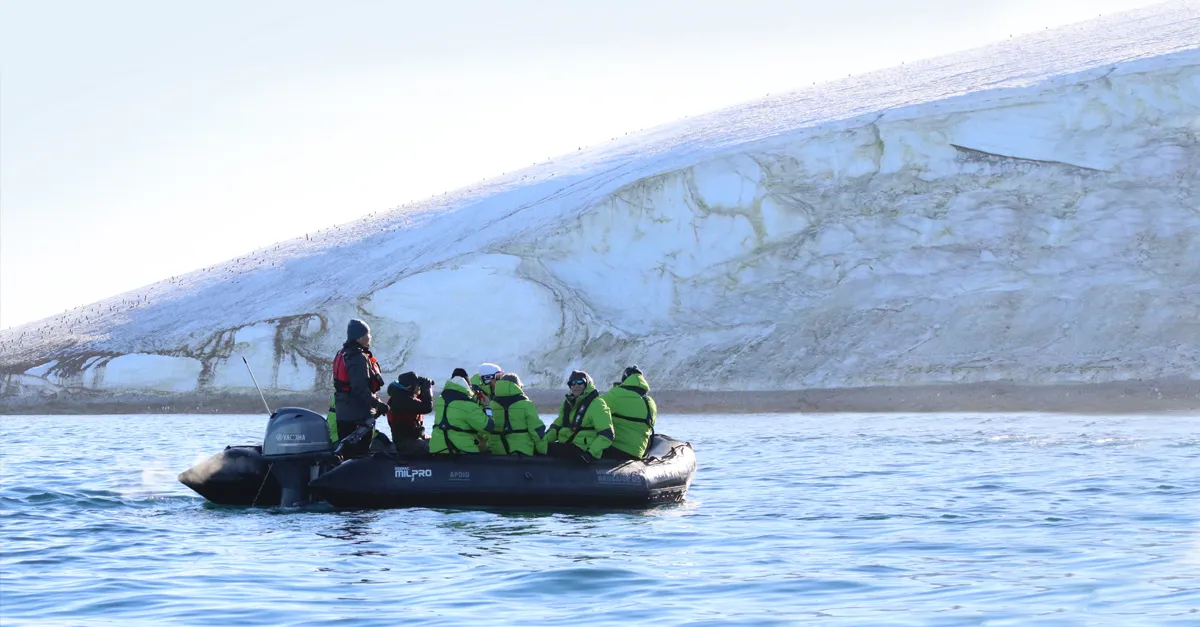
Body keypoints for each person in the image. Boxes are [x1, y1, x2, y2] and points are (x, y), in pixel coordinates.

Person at [327, 319, 389, 458]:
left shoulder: (343, 354)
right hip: (357, 417)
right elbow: (359, 389)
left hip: (345, 413)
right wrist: (378, 404)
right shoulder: (357, 357)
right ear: (360, 337)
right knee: (359, 455)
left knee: (348, 455)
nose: (370, 337)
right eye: (368, 334)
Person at [545, 370, 614, 462]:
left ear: (587, 384)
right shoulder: (567, 404)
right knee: (542, 448)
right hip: (569, 445)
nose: (576, 385)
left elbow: (607, 434)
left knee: (549, 450)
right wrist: (541, 442)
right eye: (572, 383)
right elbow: (556, 427)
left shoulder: (597, 404)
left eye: (580, 382)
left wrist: (590, 454)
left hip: (583, 448)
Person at [601, 365, 658, 460]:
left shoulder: (616, 395)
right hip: (637, 453)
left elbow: (593, 406)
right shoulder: (651, 403)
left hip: (615, 449)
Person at [429, 375, 495, 454]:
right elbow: (488, 426)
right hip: (461, 451)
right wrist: (487, 407)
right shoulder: (468, 405)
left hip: (437, 449)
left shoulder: (440, 401)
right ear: (466, 389)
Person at [486, 372, 548, 456]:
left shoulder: (492, 404)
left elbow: (486, 428)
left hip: (497, 453)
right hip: (521, 453)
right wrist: (543, 452)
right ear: (517, 386)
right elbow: (537, 431)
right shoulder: (526, 405)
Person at [386, 371, 434, 454]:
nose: (418, 388)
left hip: (414, 438)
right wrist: (427, 388)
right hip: (406, 442)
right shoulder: (402, 401)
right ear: (410, 387)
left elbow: (419, 402)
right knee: (430, 448)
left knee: (439, 442)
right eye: (417, 386)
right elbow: (427, 407)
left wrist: (423, 387)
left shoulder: (402, 396)